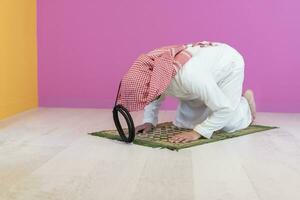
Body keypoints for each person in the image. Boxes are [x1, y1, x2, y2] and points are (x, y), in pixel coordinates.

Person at [117, 41, 256, 144]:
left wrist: (197, 133)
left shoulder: (190, 76)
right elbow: (152, 95)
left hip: (228, 63)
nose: (147, 99)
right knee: (185, 123)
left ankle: (245, 106)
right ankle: (220, 104)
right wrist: (149, 121)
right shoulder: (156, 72)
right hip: (200, 71)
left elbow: (224, 109)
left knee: (228, 122)